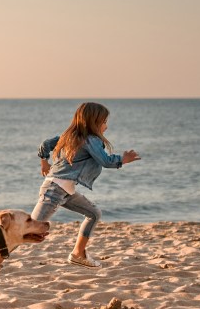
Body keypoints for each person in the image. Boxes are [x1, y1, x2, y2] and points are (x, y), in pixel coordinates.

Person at [32, 102, 140, 268]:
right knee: (30, 229)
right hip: (55, 190)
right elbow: (105, 161)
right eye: (104, 122)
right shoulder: (91, 140)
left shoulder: (71, 136)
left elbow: (45, 145)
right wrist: (122, 160)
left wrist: (44, 163)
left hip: (64, 191)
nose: (106, 126)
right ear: (94, 122)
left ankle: (78, 254)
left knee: (94, 213)